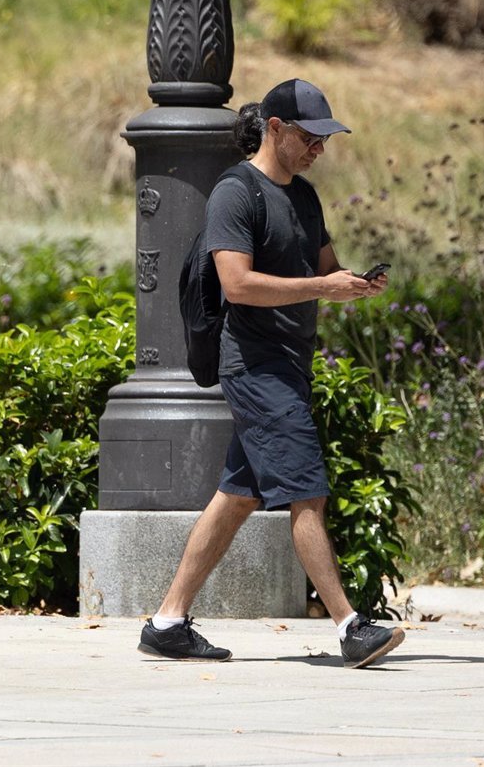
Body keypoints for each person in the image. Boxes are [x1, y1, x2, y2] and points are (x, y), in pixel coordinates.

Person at [137, 79, 405, 669]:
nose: (319, 149)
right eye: (310, 138)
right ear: (276, 129)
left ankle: (166, 622)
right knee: (306, 491)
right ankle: (349, 626)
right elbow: (238, 284)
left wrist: (353, 284)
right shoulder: (235, 194)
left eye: (325, 140)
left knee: (237, 495)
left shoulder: (304, 197)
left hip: (290, 363)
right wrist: (321, 286)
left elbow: (326, 267)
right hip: (254, 366)